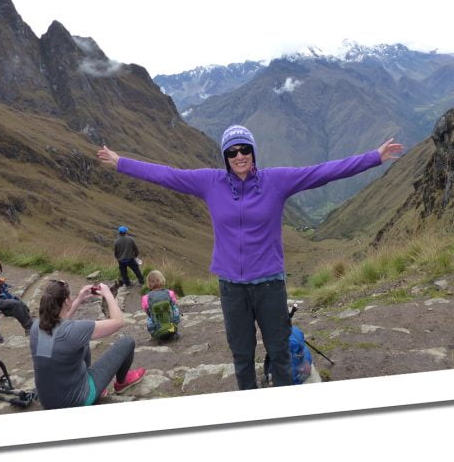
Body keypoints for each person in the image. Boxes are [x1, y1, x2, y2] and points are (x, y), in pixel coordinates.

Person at [97, 125, 403, 391]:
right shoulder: (209, 182)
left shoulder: (276, 181)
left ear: (253, 151)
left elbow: (322, 172)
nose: (239, 156)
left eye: (245, 150)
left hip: (270, 284)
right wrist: (120, 162)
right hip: (231, 287)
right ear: (225, 157)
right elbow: (166, 175)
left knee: (280, 351)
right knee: (241, 355)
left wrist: (374, 157)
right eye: (232, 152)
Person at [29, 279, 146, 409]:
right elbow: (118, 321)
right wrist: (108, 294)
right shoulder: (75, 330)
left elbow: (60, 325)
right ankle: (122, 382)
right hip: (77, 400)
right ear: (67, 301)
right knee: (127, 342)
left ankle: (95, 384)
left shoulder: (36, 326)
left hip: (48, 401)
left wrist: (78, 300)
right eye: (71, 297)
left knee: (82, 345)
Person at [142, 270, 181, 341]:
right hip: (170, 324)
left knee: (149, 317)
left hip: (157, 327)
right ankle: (173, 329)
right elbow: (174, 304)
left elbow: (147, 311)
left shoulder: (145, 298)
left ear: (149, 283)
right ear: (162, 279)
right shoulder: (170, 293)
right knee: (175, 309)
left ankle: (155, 334)